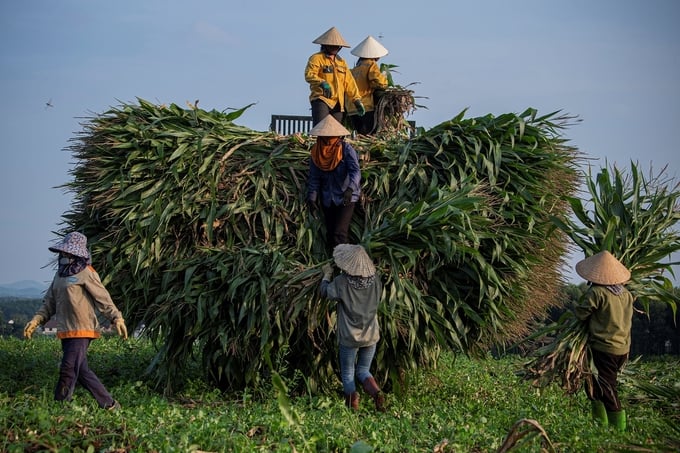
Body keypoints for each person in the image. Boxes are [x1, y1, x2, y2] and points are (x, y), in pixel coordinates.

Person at [23, 231, 128, 410]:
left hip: (82, 329)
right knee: (81, 371)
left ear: (78, 253)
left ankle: (59, 406)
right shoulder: (60, 275)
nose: (65, 255)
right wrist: (36, 320)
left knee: (68, 369)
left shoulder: (86, 273)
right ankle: (110, 405)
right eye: (64, 252)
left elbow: (103, 298)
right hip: (66, 330)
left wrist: (117, 318)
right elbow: (49, 302)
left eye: (69, 252)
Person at [574, 250, 634, 432]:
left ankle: (618, 428)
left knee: (607, 387)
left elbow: (583, 313)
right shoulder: (626, 294)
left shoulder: (597, 292)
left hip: (604, 348)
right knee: (592, 384)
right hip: (622, 348)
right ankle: (600, 426)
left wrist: (575, 312)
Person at [320, 243, 385, 411]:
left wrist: (326, 275)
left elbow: (325, 292)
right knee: (363, 370)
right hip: (371, 335)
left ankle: (353, 408)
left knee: (348, 372)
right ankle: (376, 393)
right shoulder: (376, 280)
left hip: (349, 336)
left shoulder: (341, 282)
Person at [306, 115, 361, 251]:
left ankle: (345, 267)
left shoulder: (346, 150)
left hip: (346, 197)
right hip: (328, 198)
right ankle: (332, 265)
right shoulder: (316, 152)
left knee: (339, 233)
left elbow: (355, 171)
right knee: (330, 234)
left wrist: (350, 189)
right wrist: (312, 198)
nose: (327, 140)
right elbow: (314, 177)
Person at [305, 26, 365, 126]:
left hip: (338, 103)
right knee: (321, 129)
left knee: (337, 133)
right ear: (324, 45)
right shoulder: (316, 58)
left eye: (337, 46)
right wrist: (322, 83)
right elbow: (309, 75)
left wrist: (356, 100)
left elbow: (349, 82)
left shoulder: (341, 62)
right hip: (322, 99)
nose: (334, 47)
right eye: (331, 45)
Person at [346, 36, 389, 135]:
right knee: (369, 134)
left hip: (351, 107)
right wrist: (385, 82)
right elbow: (380, 82)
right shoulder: (370, 65)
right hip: (364, 105)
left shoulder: (355, 69)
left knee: (360, 134)